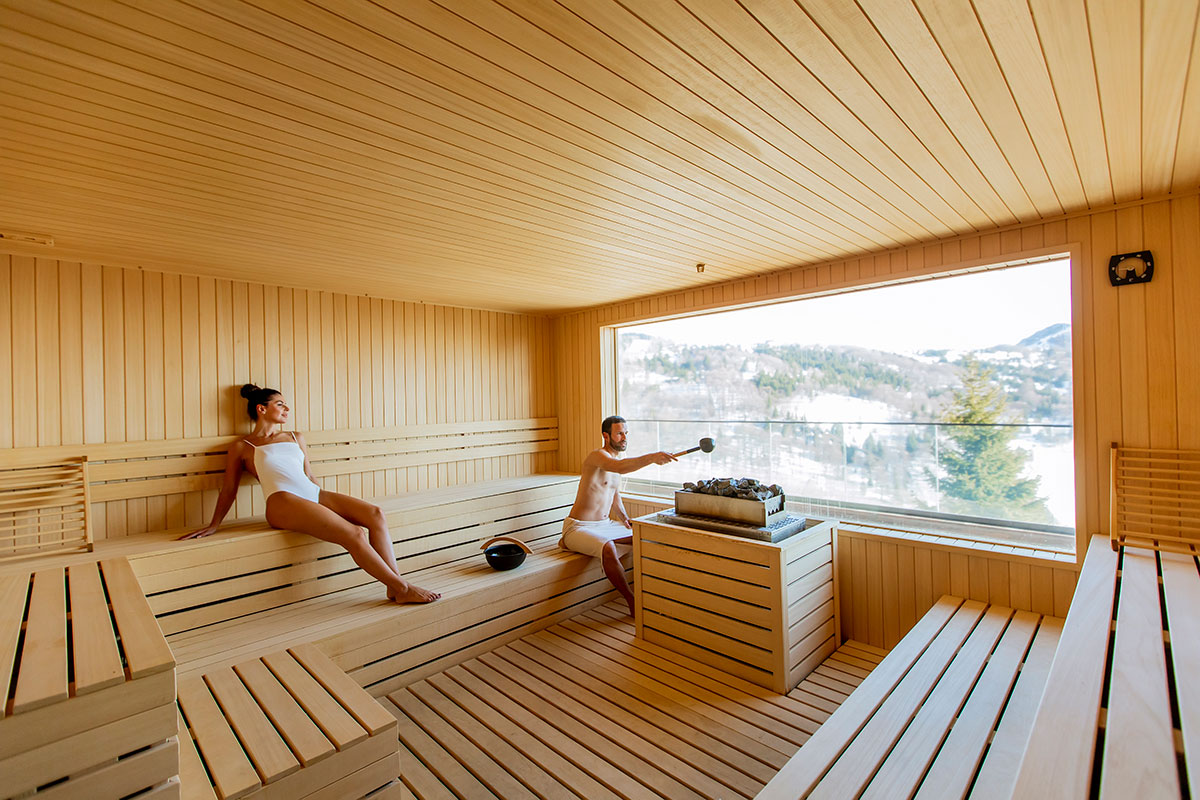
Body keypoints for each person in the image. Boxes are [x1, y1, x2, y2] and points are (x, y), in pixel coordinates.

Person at [182, 384, 440, 604]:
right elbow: (229, 489)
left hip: (311, 493)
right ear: (262, 409)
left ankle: (394, 587)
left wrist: (325, 500)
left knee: (375, 514)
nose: (287, 409)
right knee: (354, 533)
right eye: (280, 404)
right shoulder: (243, 446)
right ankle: (403, 588)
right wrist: (215, 524)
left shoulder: (295, 436)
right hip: (281, 501)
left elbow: (309, 474)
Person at [560, 415, 676, 615]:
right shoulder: (597, 457)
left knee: (645, 534)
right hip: (579, 527)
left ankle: (658, 593)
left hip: (604, 525)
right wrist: (652, 457)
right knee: (608, 547)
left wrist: (624, 519)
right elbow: (619, 468)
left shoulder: (615, 461)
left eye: (626, 433)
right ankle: (632, 601)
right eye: (620, 433)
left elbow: (614, 496)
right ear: (606, 435)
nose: (624, 438)